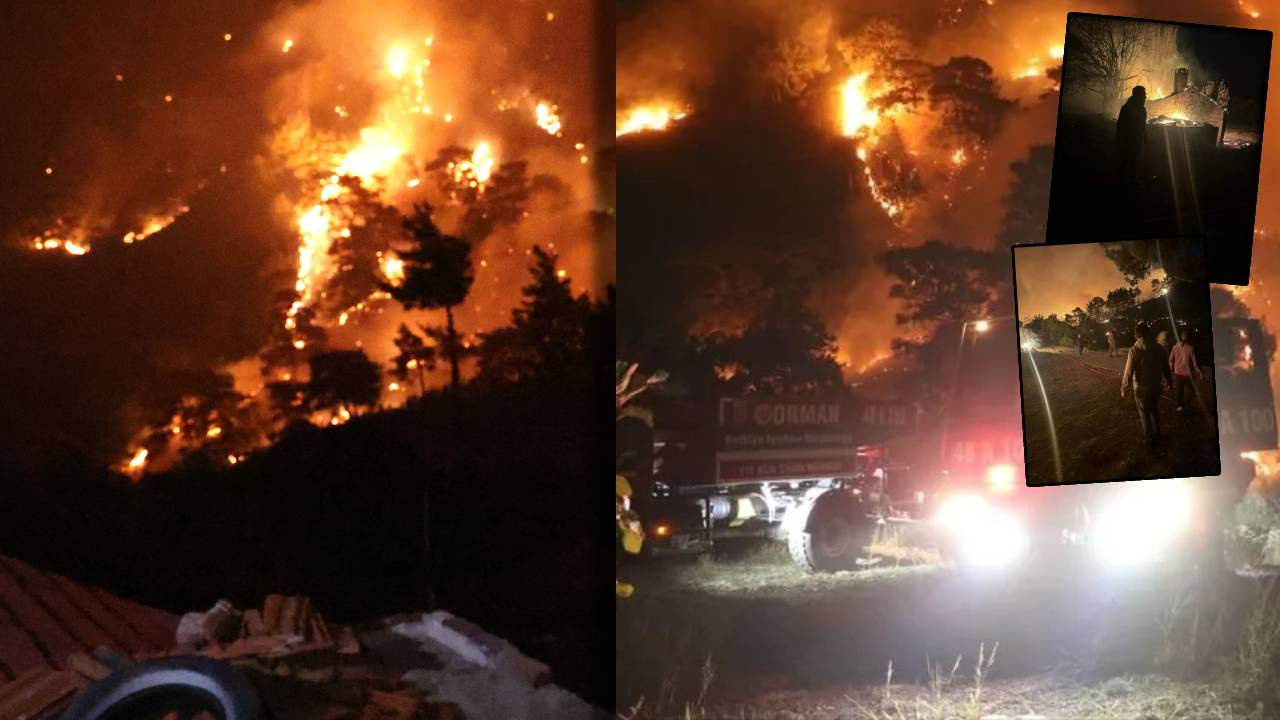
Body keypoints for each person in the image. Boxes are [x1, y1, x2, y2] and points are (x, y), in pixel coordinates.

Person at [1121, 322, 1173, 447]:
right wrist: (1169, 381)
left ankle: (1150, 439)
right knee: (1154, 410)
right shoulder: (1159, 348)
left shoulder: (1134, 350)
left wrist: (1124, 386)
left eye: (1134, 333)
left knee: (1144, 413)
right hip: (1156, 386)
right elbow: (1166, 367)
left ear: (1137, 334)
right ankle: (1157, 434)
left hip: (1141, 388)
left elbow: (1129, 371)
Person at [1116, 86, 1147, 185]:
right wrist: (1120, 141)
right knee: (1125, 162)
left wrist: (1145, 138)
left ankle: (1132, 179)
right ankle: (1121, 182)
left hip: (1138, 141)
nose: (1145, 97)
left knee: (1135, 161)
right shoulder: (1126, 109)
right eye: (1143, 95)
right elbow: (1120, 126)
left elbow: (1143, 125)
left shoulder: (1142, 110)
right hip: (1128, 141)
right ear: (1137, 95)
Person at [1168, 329, 1204, 413]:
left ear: (1181, 337)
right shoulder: (1191, 349)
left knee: (1179, 392)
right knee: (1192, 392)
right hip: (1188, 375)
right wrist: (1200, 374)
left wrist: (1172, 368)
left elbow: (1170, 360)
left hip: (1178, 374)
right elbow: (1195, 364)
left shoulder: (1175, 346)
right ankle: (1186, 405)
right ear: (1189, 338)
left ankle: (1179, 407)